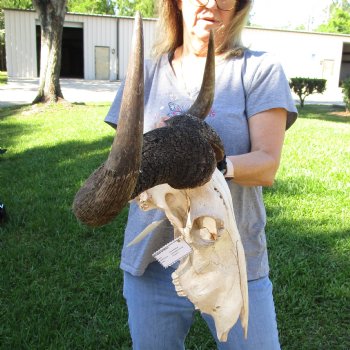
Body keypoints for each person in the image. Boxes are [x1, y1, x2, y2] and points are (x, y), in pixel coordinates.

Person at [105, 0, 298, 349]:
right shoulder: (146, 72)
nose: (210, 3)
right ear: (176, 3)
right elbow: (123, 170)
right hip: (153, 260)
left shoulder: (259, 70)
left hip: (234, 261)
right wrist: (157, 152)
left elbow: (267, 165)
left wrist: (212, 166)